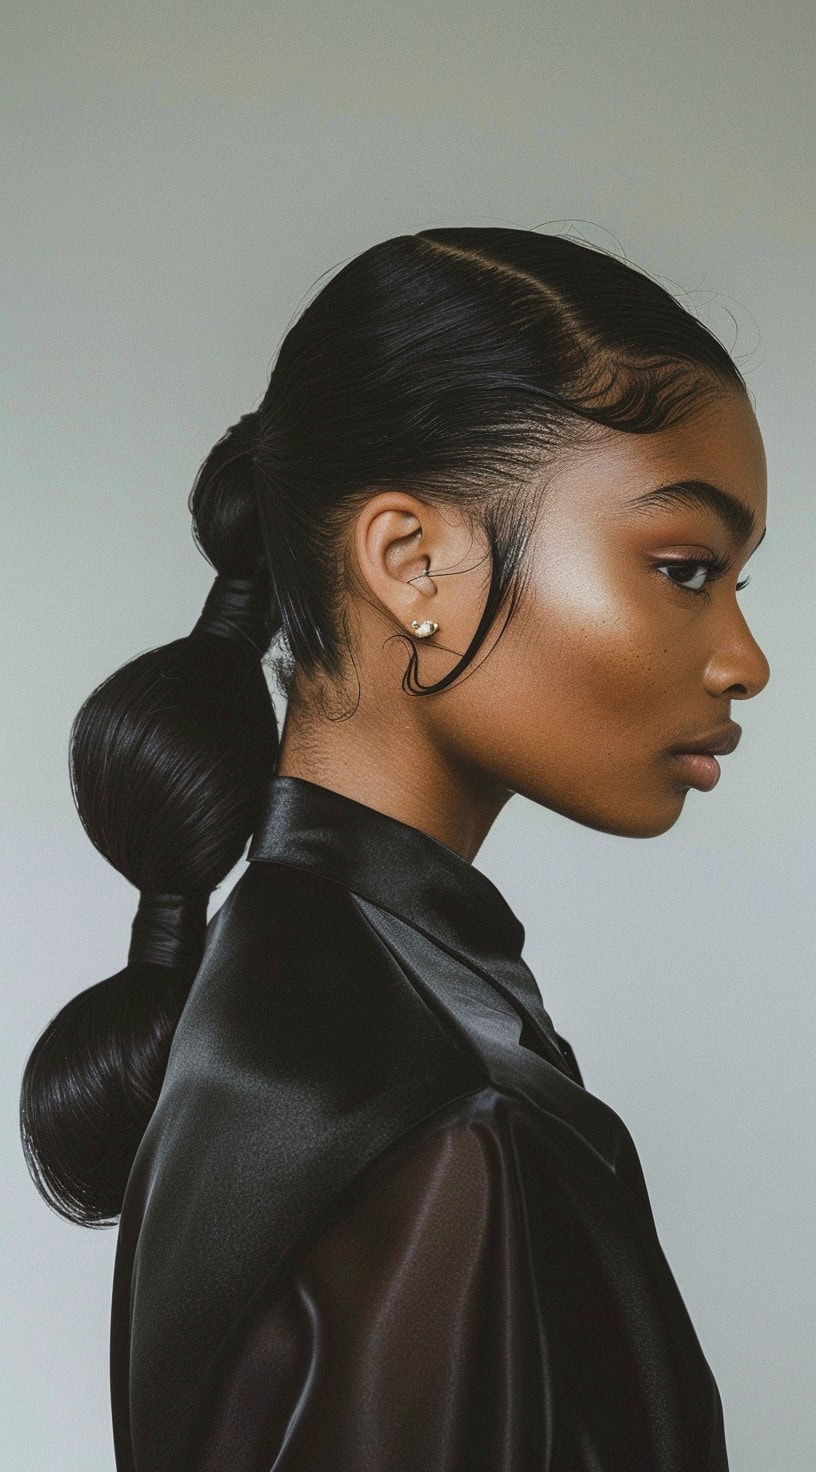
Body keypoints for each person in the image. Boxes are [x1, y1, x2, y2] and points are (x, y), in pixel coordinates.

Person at [20, 227, 769, 1471]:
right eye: (687, 568)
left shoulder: (282, 985)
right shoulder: (441, 1114)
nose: (745, 656)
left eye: (741, 580)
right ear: (415, 564)